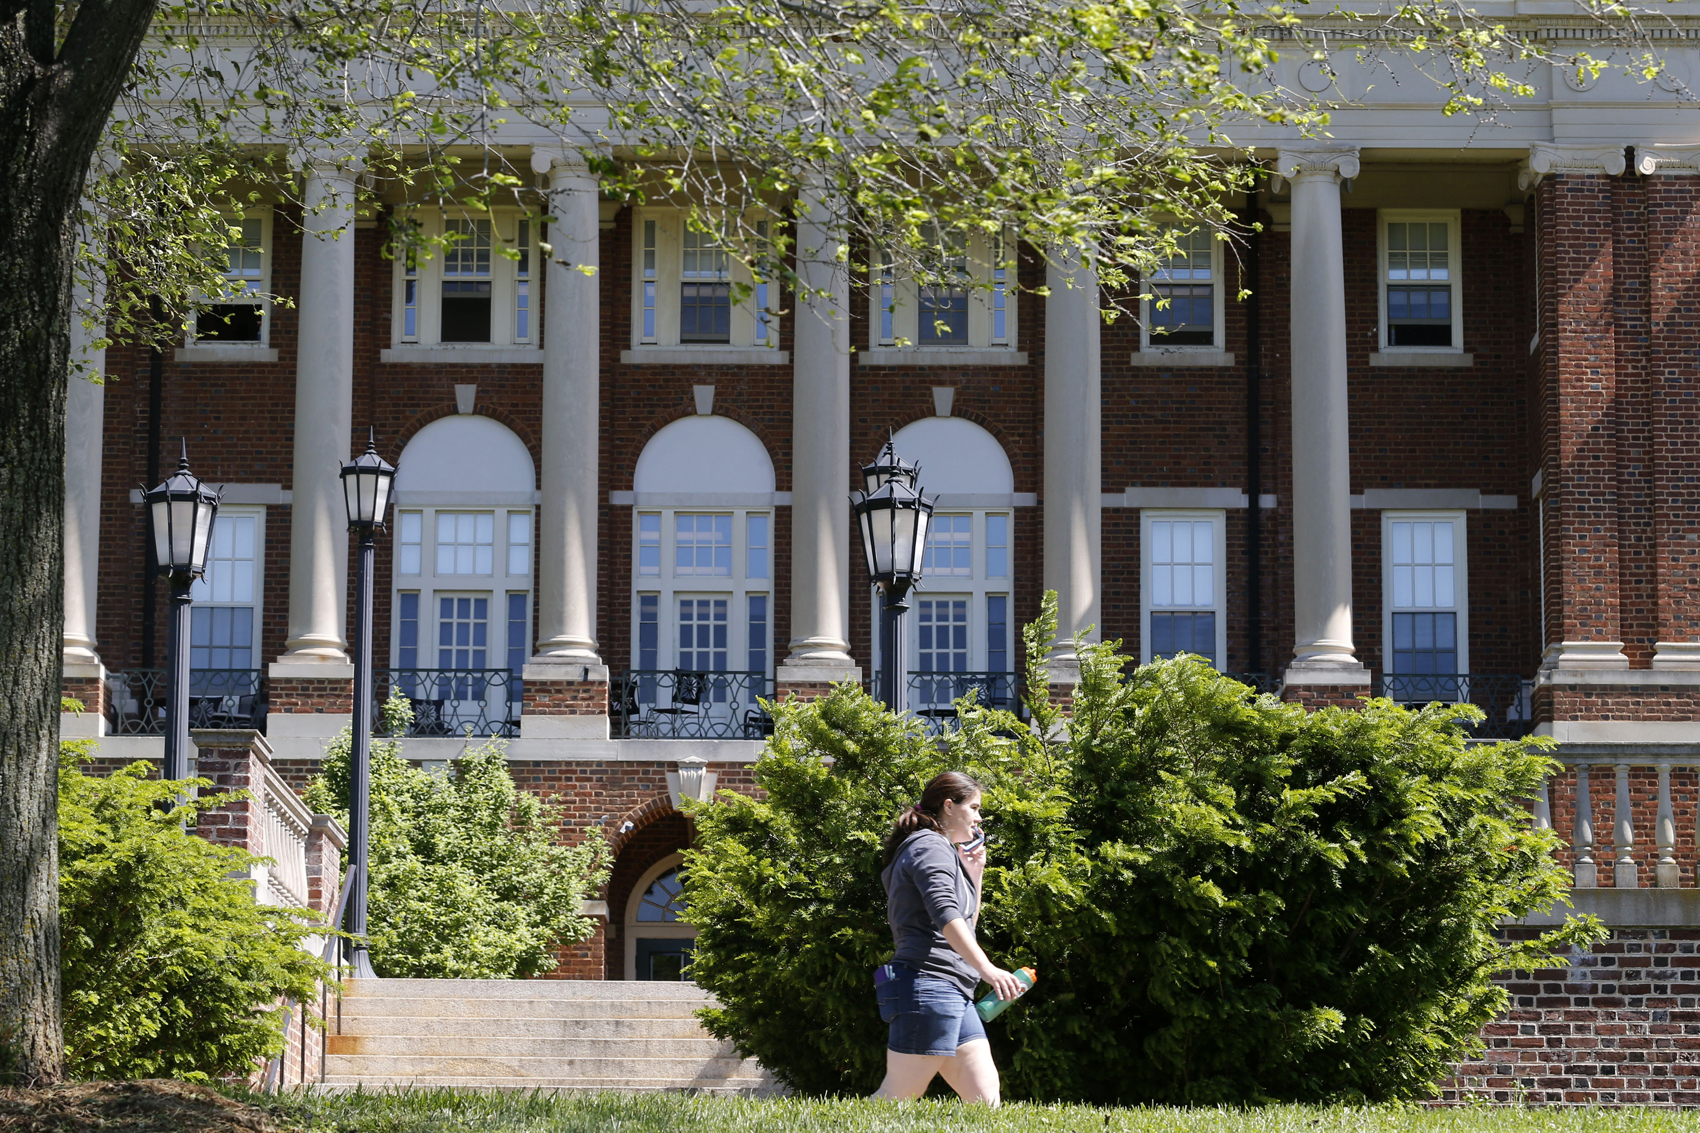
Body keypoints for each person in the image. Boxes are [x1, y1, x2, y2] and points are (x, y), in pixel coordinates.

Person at [872, 771, 1025, 1105]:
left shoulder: (941, 851)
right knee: (896, 1096)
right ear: (949, 806)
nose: (979, 817)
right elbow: (946, 916)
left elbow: (963, 921)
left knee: (985, 1100)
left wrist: (974, 875)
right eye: (973, 807)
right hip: (928, 986)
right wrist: (988, 969)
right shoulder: (930, 846)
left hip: (952, 988)